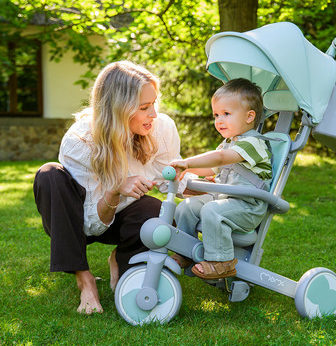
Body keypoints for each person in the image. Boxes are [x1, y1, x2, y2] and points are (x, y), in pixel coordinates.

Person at [33, 61, 187, 314]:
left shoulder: (161, 129)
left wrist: (215, 185)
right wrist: (115, 189)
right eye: (144, 107)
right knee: (49, 175)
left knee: (156, 211)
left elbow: (171, 180)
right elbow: (91, 226)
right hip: (78, 219)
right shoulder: (80, 141)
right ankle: (85, 279)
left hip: (125, 217)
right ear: (119, 109)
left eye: (154, 104)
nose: (154, 114)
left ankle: (122, 259)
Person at [169, 78, 272, 280]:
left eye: (226, 114)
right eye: (216, 115)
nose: (219, 120)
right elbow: (212, 166)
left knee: (211, 210)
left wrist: (188, 162)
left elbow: (222, 158)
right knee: (186, 206)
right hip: (226, 200)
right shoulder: (228, 143)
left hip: (248, 207)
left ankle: (221, 262)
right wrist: (183, 169)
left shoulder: (253, 143)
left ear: (250, 116)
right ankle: (184, 252)